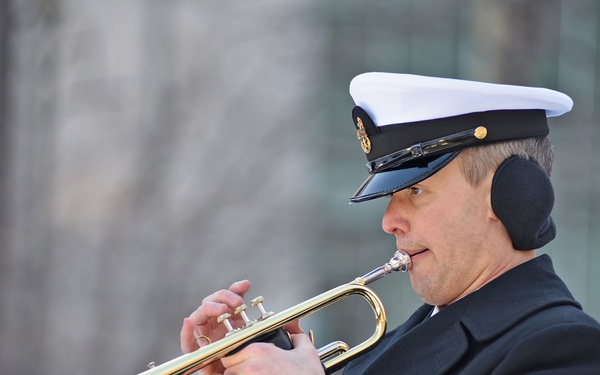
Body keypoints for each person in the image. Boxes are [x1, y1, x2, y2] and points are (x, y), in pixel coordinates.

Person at [180, 73, 600, 374]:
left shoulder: (563, 347)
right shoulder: (386, 348)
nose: (389, 222)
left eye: (415, 192)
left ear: (509, 193)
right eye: (392, 197)